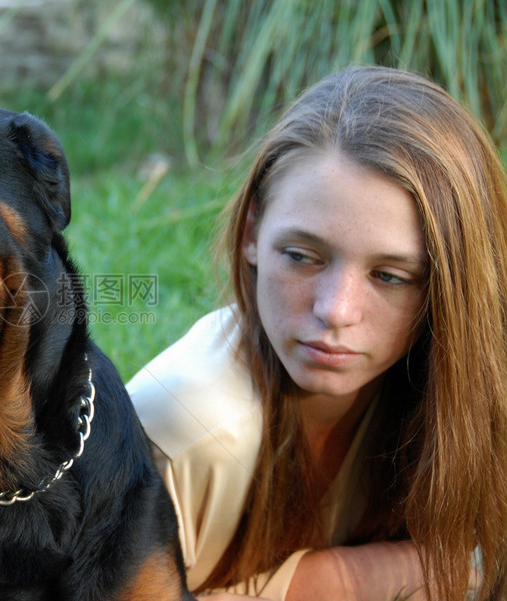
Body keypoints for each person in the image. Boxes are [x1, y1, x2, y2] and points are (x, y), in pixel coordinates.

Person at [128, 65, 507, 601]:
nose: (335, 310)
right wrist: (345, 580)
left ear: (451, 284)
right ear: (254, 233)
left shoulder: (474, 391)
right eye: (302, 256)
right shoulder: (190, 427)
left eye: (390, 277)